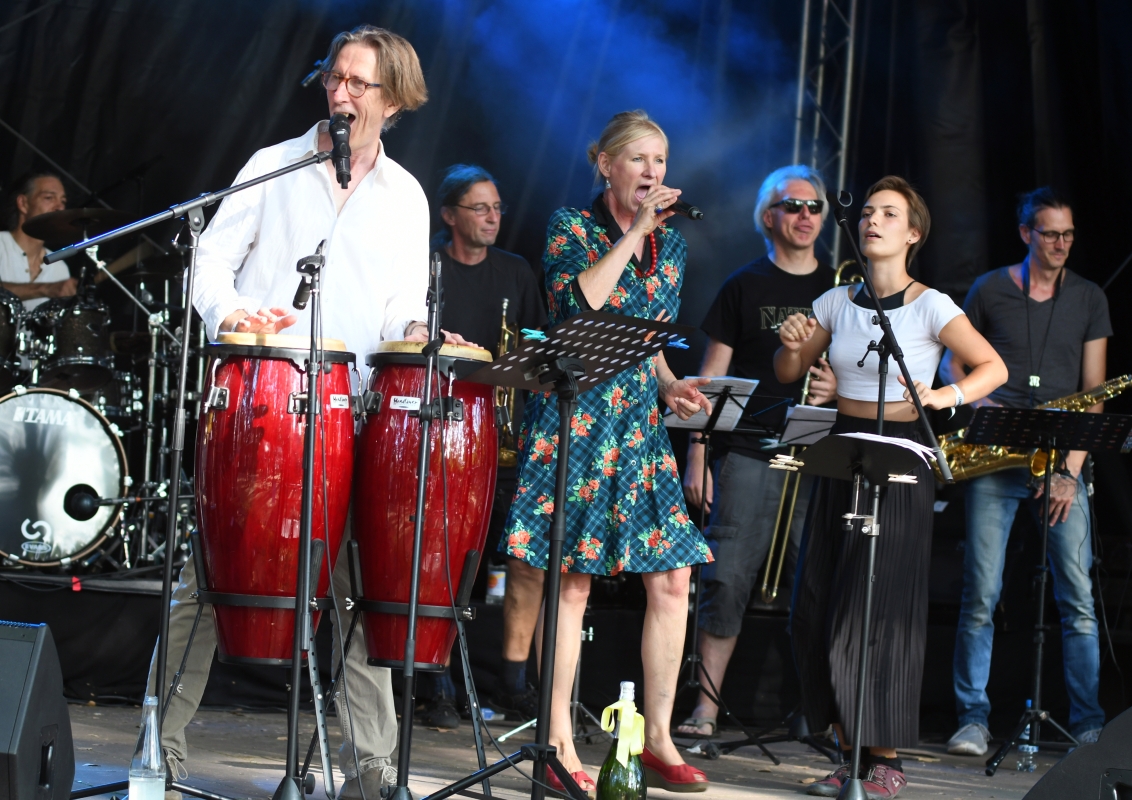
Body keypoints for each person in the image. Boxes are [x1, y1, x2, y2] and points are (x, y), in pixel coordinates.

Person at [146, 25, 467, 800]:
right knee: (209, 578)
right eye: (335, 78)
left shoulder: (406, 195)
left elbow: (398, 306)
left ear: (394, 102)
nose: (340, 93)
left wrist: (420, 331)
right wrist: (233, 313)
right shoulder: (274, 166)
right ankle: (159, 748)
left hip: (358, 412)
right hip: (264, 407)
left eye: (359, 83)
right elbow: (209, 262)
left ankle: (372, 767)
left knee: (359, 588)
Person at [774, 176, 1007, 798]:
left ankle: (885, 760)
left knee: (878, 608)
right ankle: (847, 754)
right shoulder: (834, 301)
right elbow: (790, 370)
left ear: (913, 234)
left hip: (902, 457)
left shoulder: (932, 305)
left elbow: (994, 367)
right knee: (816, 603)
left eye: (889, 214)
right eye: (869, 212)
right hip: (840, 450)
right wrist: (791, 346)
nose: (872, 221)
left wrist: (944, 395)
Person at [503, 110, 713, 795]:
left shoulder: (672, 247)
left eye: (661, 160)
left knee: (674, 578)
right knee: (571, 581)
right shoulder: (571, 225)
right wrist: (633, 234)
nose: (653, 172)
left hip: (637, 425)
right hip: (576, 419)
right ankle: (557, 742)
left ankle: (657, 738)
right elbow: (581, 305)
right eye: (639, 159)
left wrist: (671, 384)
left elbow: (646, 338)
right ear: (606, 165)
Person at [940, 187, 1110, 756]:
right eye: (1050, 234)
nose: (1061, 244)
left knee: (1078, 599)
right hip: (995, 459)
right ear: (1025, 234)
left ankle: (1088, 725)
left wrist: (1070, 473)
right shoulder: (989, 288)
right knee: (981, 595)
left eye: (1068, 234)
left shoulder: (1089, 297)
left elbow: (1094, 393)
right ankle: (972, 719)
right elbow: (952, 361)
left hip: (1061, 463)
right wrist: (982, 405)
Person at [676, 164, 837, 738]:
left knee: (818, 587)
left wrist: (836, 388)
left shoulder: (841, 290)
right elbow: (708, 380)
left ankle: (820, 714)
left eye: (814, 206)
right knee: (727, 579)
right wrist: (697, 458)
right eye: (792, 205)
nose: (805, 215)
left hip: (817, 454)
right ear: (768, 216)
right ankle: (705, 709)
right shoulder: (743, 285)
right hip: (746, 451)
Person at [428, 164, 547, 727]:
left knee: (527, 560)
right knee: (447, 564)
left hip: (508, 442)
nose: (493, 217)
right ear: (449, 215)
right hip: (444, 439)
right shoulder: (427, 266)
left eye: (497, 207)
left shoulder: (516, 271)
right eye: (480, 208)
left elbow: (539, 344)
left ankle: (515, 682)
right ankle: (438, 682)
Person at [0, 171, 76, 310]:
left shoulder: (60, 268)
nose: (60, 207)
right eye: (49, 198)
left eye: (63, 201)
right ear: (23, 203)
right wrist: (45, 289)